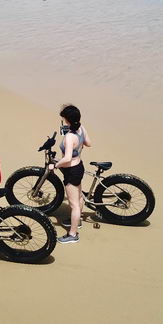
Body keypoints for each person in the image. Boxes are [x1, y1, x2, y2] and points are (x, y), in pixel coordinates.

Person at [49, 104, 91, 244]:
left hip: (71, 170)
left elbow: (66, 159)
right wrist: (79, 145)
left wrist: (55, 165)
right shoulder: (81, 128)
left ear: (67, 120)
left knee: (74, 205)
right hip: (79, 166)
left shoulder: (69, 137)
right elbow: (88, 143)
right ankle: (76, 221)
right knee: (78, 196)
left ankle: (73, 234)